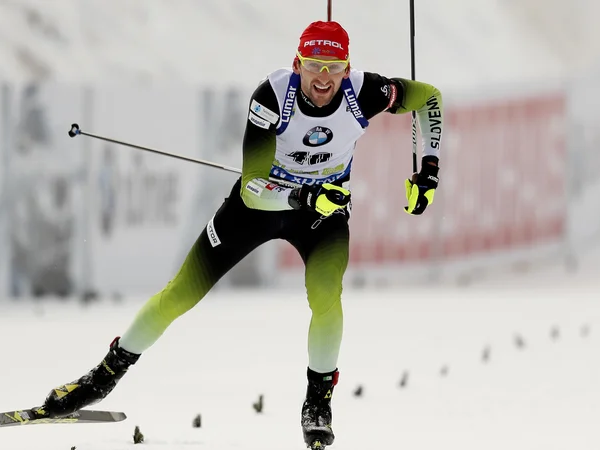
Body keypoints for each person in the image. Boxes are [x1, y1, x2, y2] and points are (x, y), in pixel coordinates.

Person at [40, 20, 444, 449]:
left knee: (326, 297)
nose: (322, 78)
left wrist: (429, 171)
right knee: (181, 293)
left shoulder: (368, 92)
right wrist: (304, 198)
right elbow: (253, 188)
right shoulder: (272, 96)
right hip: (265, 204)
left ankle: (317, 404)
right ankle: (102, 378)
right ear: (297, 64)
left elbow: (428, 99)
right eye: (312, 66)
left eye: (333, 67)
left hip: (322, 218)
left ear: (347, 69)